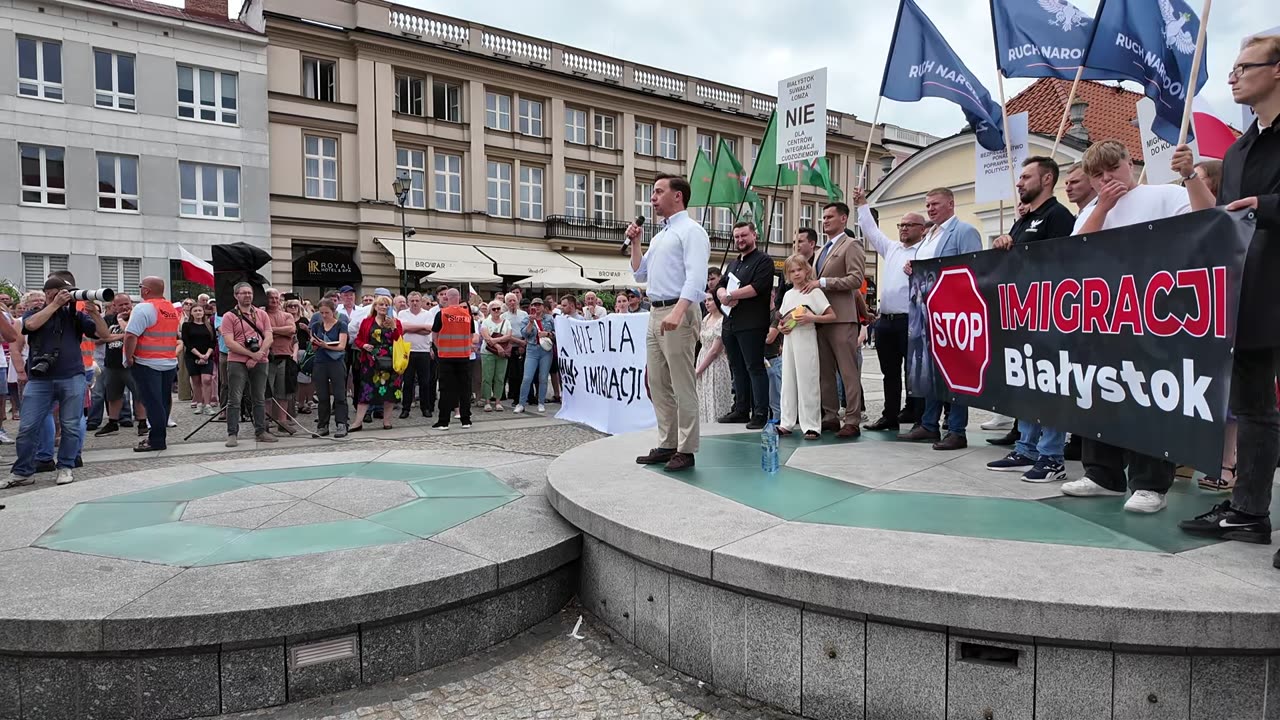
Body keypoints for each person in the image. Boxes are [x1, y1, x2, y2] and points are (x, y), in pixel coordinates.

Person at [1178, 35, 1280, 559]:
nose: (1232, 77)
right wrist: (1194, 176)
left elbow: (1255, 206)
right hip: (1252, 294)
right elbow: (1225, 214)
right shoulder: (1238, 148)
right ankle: (1248, 510)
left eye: (1244, 67)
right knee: (1254, 409)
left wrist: (1264, 203)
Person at [1058, 139, 1191, 513]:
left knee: (1151, 396)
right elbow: (1076, 253)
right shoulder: (1091, 210)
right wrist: (1103, 205)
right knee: (1101, 392)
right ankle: (1103, 473)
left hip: (1156, 310)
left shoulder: (1165, 195)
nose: (1107, 179)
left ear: (1129, 164)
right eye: (1098, 176)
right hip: (1104, 314)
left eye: (1113, 170)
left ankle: (1151, 483)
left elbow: (1198, 231)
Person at [983, 157, 1080, 480]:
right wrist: (1004, 243)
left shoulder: (1058, 216)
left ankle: (1051, 455)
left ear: (1047, 178)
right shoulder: (1023, 219)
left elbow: (1065, 264)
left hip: (1050, 316)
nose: (1019, 182)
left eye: (1026, 176)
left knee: (1049, 385)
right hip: (1022, 314)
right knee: (1026, 383)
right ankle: (1026, 447)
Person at [626, 173, 710, 471]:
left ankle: (686, 449)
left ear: (678, 196)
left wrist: (679, 311)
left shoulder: (692, 231)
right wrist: (636, 243)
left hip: (679, 310)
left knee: (682, 382)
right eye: (652, 193)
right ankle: (667, 442)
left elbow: (697, 277)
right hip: (655, 311)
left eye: (658, 192)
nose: (652, 198)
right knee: (657, 383)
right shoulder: (661, 235)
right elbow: (639, 274)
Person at [3, 277, 109, 488]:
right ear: (50, 293)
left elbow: (103, 335)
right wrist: (54, 305)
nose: (67, 295)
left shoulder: (75, 316)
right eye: (62, 291)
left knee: (70, 425)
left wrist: (95, 313)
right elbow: (31, 325)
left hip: (72, 376)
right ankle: (23, 472)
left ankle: (65, 466)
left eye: (68, 292)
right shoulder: (33, 313)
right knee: (27, 427)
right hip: (40, 380)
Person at [900, 188, 983, 450]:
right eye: (927, 205)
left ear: (950, 203)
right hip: (927, 313)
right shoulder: (928, 235)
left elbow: (974, 268)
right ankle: (929, 424)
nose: (931, 209)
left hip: (953, 312)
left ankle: (957, 430)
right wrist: (912, 269)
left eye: (935, 204)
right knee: (931, 371)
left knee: (956, 372)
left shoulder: (964, 232)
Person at [853, 190, 924, 433]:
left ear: (922, 229)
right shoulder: (892, 248)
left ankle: (918, 417)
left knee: (913, 373)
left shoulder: (926, 250)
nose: (903, 228)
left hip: (912, 320)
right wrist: (863, 205)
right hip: (887, 321)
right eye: (901, 224)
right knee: (889, 373)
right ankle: (890, 415)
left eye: (909, 225)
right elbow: (871, 232)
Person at [806, 202, 866, 439]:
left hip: (842, 318)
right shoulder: (820, 251)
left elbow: (855, 279)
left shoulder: (851, 245)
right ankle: (830, 415)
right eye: (823, 217)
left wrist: (824, 283)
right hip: (821, 318)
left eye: (830, 216)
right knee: (825, 372)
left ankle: (852, 419)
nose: (825, 221)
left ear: (844, 219)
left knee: (848, 371)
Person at [714, 221, 775, 430]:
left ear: (754, 236)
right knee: (736, 367)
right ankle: (741, 409)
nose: (740, 240)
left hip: (752, 323)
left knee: (754, 367)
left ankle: (760, 412)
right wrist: (722, 294)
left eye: (744, 236)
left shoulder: (764, 261)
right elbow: (720, 285)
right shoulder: (733, 264)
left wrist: (730, 295)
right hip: (730, 322)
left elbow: (758, 287)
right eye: (737, 236)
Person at [777, 253, 837, 439]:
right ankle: (786, 422)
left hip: (807, 336)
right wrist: (780, 328)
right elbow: (782, 318)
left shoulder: (814, 292)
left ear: (806, 270)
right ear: (787, 274)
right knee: (788, 380)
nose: (796, 274)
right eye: (792, 271)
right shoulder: (788, 294)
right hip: (790, 339)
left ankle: (811, 425)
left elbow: (831, 316)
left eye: (799, 270)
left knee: (808, 380)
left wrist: (812, 318)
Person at [122, 277, 180, 452]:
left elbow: (131, 335)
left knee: (152, 402)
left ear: (146, 290)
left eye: (140, 287)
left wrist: (129, 357)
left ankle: (156, 439)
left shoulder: (143, 308)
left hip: (147, 362)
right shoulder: (170, 308)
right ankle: (159, 436)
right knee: (162, 401)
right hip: (168, 361)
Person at [220, 282, 276, 448]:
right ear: (236, 295)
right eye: (243, 293)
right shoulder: (229, 316)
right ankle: (232, 433)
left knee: (259, 397)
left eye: (249, 293)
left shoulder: (261, 314)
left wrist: (258, 355)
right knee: (234, 398)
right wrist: (251, 354)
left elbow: (269, 337)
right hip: (237, 360)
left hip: (260, 359)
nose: (247, 296)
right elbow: (229, 342)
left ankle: (260, 431)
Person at [350, 295, 403, 431]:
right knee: (366, 391)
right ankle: (358, 422)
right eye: (381, 305)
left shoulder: (395, 322)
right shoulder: (367, 322)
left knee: (390, 391)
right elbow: (358, 340)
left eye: (387, 305)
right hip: (371, 361)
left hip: (390, 359)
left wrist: (393, 328)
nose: (384, 307)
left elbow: (399, 340)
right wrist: (364, 345)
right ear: (375, 306)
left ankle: (387, 421)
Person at [93, 295, 142, 438]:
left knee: (139, 394)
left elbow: (132, 334)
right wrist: (118, 337)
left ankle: (143, 422)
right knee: (113, 395)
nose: (124, 307)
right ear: (114, 306)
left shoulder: (136, 317)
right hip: (112, 363)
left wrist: (121, 323)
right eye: (120, 305)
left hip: (131, 362)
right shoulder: (108, 320)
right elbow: (100, 338)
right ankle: (113, 422)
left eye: (127, 304)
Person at [432, 288, 479, 430]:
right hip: (464, 356)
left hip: (446, 356)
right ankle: (466, 420)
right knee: (465, 389)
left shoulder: (442, 314)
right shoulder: (467, 315)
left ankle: (444, 421)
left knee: (446, 389)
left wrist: (441, 347)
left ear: (446, 297)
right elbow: (471, 336)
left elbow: (434, 336)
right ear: (458, 298)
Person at [308, 298, 350, 438]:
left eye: (327, 312)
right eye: (322, 313)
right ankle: (322, 425)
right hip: (320, 362)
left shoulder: (341, 325)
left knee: (339, 394)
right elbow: (312, 347)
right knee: (322, 395)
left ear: (333, 312)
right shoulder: (316, 326)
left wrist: (325, 345)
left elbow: (342, 346)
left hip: (336, 362)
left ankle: (341, 423)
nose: (324, 315)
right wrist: (314, 344)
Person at [397, 291, 437, 418]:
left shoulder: (428, 314)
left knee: (424, 382)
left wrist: (410, 328)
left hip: (423, 351)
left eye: (417, 300)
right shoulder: (402, 313)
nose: (414, 303)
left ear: (421, 301)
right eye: (412, 301)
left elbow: (429, 329)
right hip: (407, 351)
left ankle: (425, 408)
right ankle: (406, 408)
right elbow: (402, 328)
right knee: (407, 382)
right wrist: (421, 327)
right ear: (408, 302)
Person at [263, 288, 297, 434]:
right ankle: (266, 422)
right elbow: (262, 331)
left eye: (277, 298)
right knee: (266, 393)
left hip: (285, 357)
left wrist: (271, 330)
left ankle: (282, 422)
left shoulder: (287, 315)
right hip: (268, 358)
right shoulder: (261, 315)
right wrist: (279, 331)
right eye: (272, 298)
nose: (275, 301)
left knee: (283, 392)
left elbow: (291, 330)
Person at [694, 296, 732, 423]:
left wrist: (698, 370)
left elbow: (715, 350)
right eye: (705, 301)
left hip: (716, 364)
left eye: (710, 300)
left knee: (715, 398)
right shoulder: (706, 318)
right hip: (702, 356)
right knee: (703, 399)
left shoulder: (722, 321)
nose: (707, 303)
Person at [515, 298, 553, 414]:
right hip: (532, 349)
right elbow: (525, 334)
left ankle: (541, 402)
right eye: (534, 305)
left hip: (545, 350)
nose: (537, 307)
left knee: (543, 377)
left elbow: (557, 334)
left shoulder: (549, 319)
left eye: (539, 305)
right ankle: (521, 403)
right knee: (527, 378)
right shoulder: (527, 318)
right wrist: (531, 322)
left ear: (543, 306)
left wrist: (547, 334)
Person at [181, 302, 217, 415]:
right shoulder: (187, 326)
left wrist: (206, 355)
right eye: (195, 310)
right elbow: (187, 342)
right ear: (191, 312)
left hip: (207, 356)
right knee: (196, 381)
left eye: (200, 310)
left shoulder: (209, 326)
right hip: (192, 357)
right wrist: (199, 355)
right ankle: (199, 403)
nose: (198, 313)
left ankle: (207, 404)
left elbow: (213, 341)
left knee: (207, 379)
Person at [480, 300, 512, 411]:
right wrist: (498, 346)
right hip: (488, 353)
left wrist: (495, 340)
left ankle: (498, 401)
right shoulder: (485, 322)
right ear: (490, 311)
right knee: (487, 377)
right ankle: (487, 401)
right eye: (494, 309)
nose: (497, 311)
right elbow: (486, 337)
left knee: (500, 377)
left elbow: (508, 336)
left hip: (502, 353)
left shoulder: (506, 322)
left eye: (498, 308)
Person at [500, 292, 528, 405]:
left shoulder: (524, 314)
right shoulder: (504, 316)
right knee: (513, 374)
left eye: (514, 300)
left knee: (523, 373)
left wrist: (523, 343)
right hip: (510, 346)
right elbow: (504, 334)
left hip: (523, 345)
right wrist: (518, 342)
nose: (512, 303)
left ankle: (525, 397)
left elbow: (527, 329)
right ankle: (515, 397)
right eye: (509, 301)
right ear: (506, 303)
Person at [764, 289, 783, 422]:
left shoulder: (776, 315)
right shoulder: (759, 315)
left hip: (774, 359)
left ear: (773, 295)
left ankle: (779, 421)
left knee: (776, 399)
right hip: (763, 360)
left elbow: (769, 338)